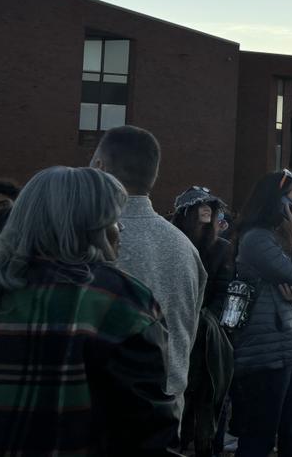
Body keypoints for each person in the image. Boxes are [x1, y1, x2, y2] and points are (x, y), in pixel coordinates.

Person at [0, 166, 178, 454]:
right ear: (93, 226)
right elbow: (148, 431)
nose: (120, 231)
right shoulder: (120, 300)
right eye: (115, 220)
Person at [91, 125, 206, 421]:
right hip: (169, 406)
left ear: (100, 167)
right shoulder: (185, 247)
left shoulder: (89, 239)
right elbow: (189, 328)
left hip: (103, 409)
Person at [226, 169, 292, 457]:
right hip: (264, 351)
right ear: (277, 201)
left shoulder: (280, 237)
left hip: (291, 343)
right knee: (259, 435)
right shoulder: (257, 239)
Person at [169, 186, 235, 457]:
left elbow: (224, 290)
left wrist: (207, 320)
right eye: (200, 204)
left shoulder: (222, 248)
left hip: (208, 334)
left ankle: (207, 445)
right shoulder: (172, 242)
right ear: (186, 211)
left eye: (211, 204)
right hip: (175, 330)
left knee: (209, 394)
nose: (207, 208)